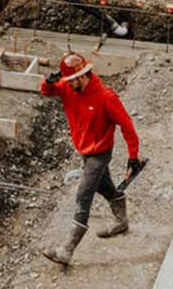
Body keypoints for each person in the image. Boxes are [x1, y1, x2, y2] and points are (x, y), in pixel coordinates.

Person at [40, 52, 144, 265]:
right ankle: (122, 221)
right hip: (84, 150)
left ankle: (67, 250)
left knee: (84, 194)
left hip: (100, 153)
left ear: (84, 75)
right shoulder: (68, 87)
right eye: (68, 80)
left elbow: (127, 126)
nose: (69, 84)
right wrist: (48, 81)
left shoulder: (106, 97)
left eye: (73, 80)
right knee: (104, 187)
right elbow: (47, 91)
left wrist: (133, 157)